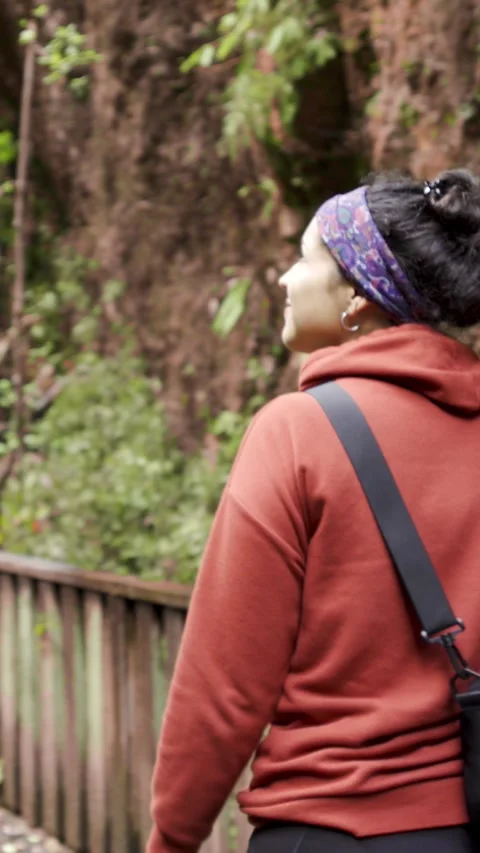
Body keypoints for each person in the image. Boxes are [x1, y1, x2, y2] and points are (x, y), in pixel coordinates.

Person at [147, 169, 480, 853]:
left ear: (357, 294)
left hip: (326, 826)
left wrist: (171, 837)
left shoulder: (296, 432)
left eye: (305, 258)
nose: (284, 279)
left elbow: (226, 682)